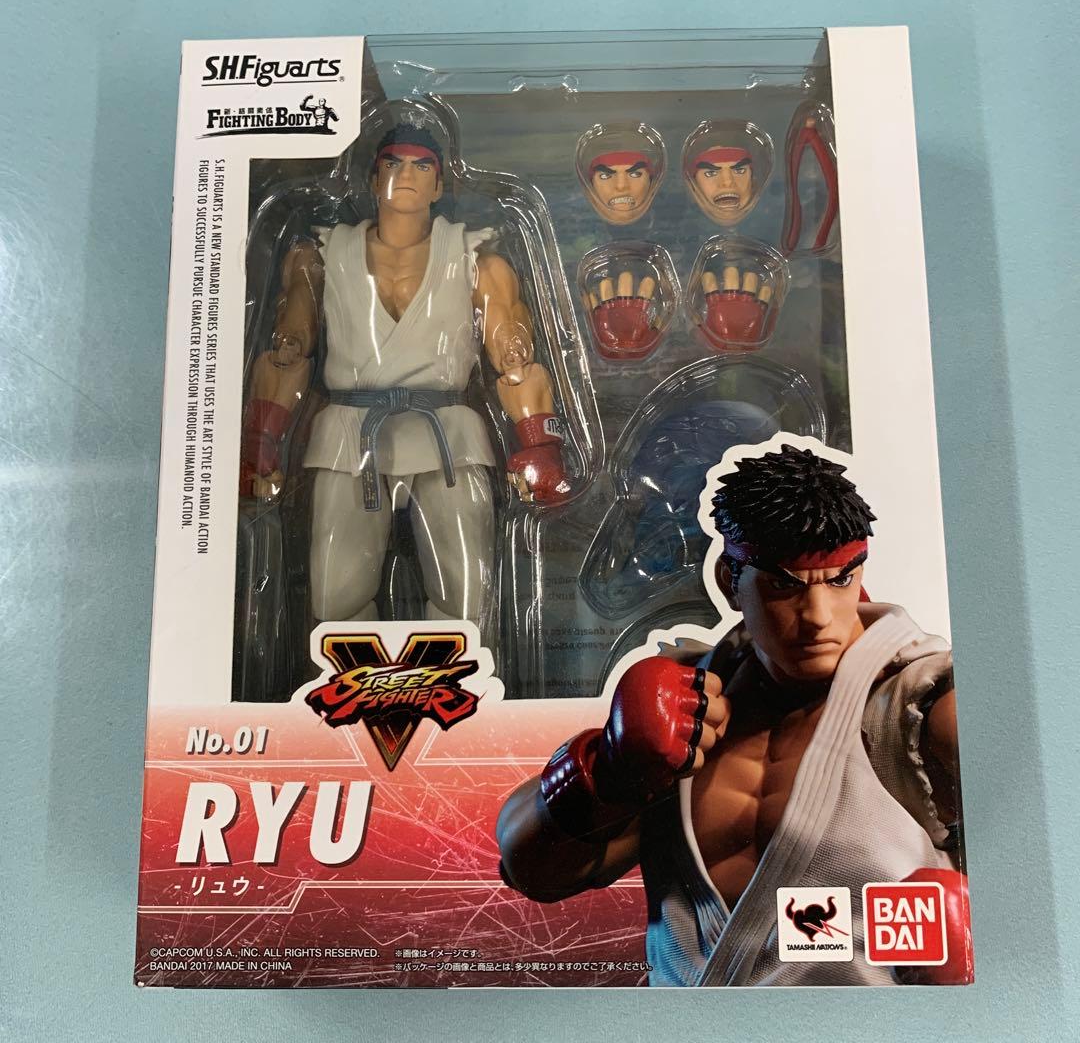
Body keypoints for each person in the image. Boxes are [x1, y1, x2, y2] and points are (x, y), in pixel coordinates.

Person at [497, 444, 971, 986]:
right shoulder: (687, 703)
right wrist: (609, 770)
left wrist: (983, 948)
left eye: (839, 579)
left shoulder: (920, 703)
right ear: (730, 581)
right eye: (784, 584)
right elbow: (533, 873)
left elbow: (1038, 855)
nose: (818, 617)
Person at [239, 123, 570, 628]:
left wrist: (540, 445)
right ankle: (345, 677)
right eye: (393, 163)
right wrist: (261, 440)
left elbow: (515, 362)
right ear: (374, 180)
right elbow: (288, 353)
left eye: (422, 165)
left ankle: (464, 674)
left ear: (439, 184)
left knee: (468, 598)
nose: (407, 174)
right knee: (334, 598)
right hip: (350, 434)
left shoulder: (476, 261)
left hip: (448, 436)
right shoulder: (321, 256)